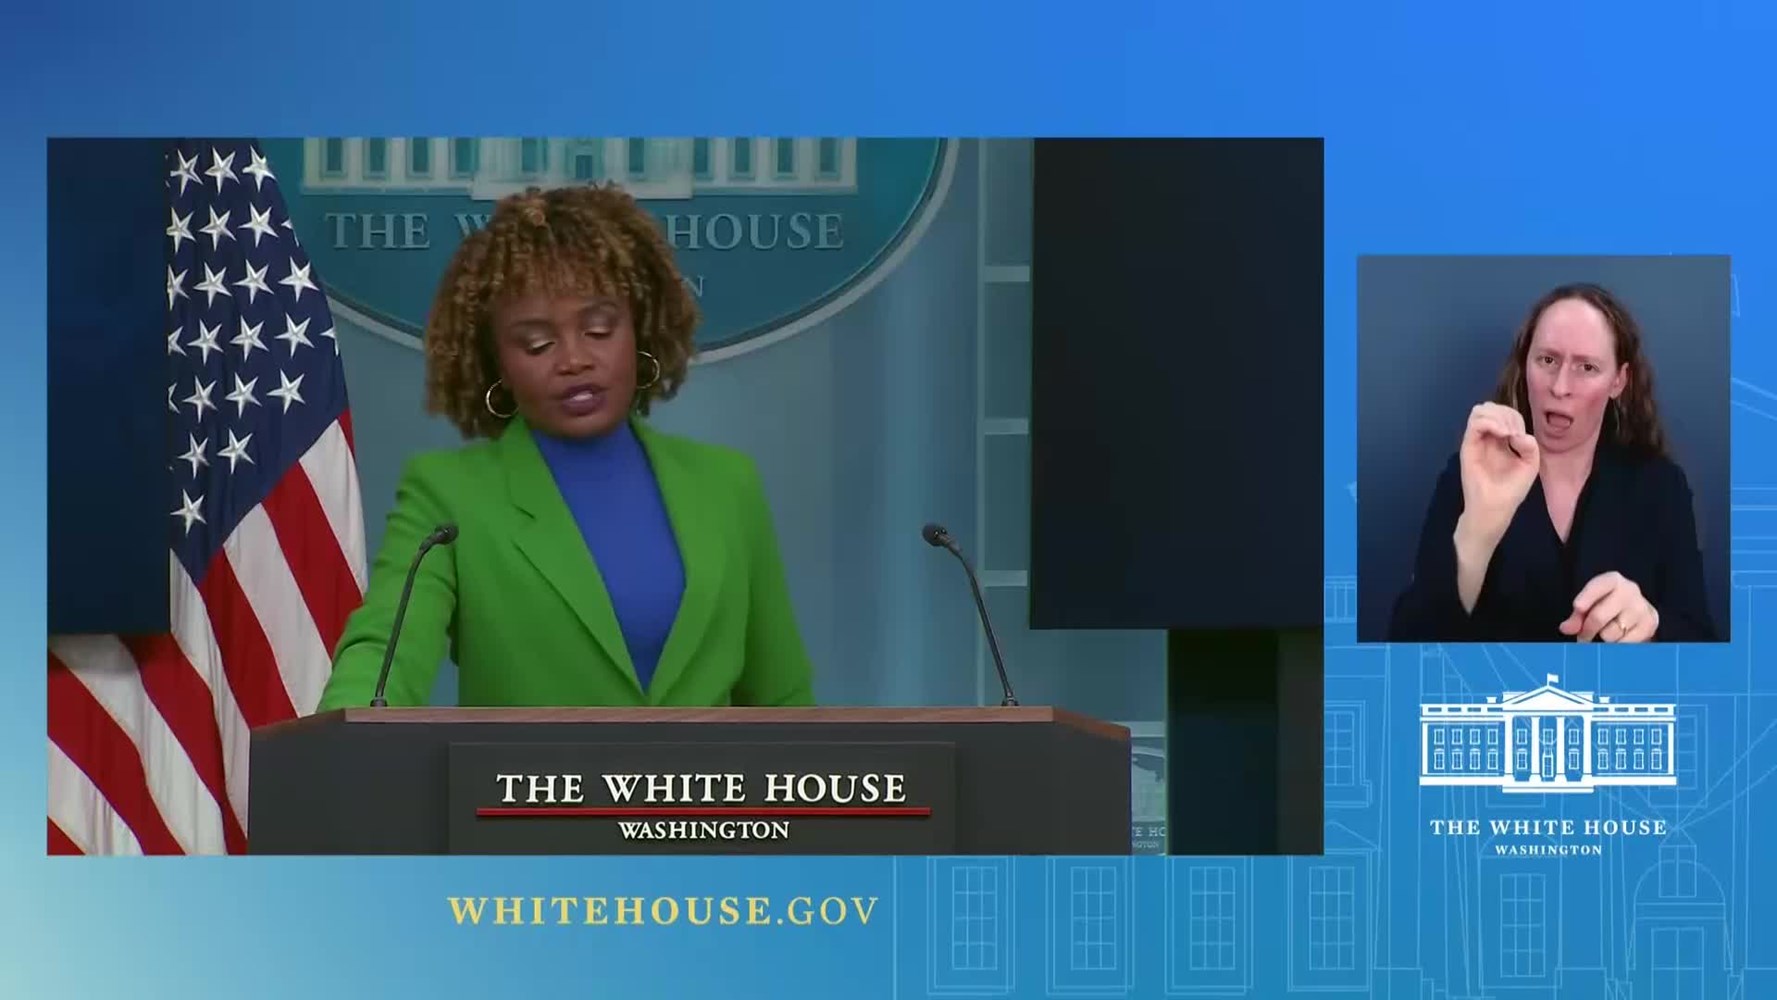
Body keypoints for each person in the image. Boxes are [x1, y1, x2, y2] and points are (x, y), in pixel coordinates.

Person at [316, 184, 816, 709]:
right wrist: (349, 730)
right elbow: (385, 652)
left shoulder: (727, 486)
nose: (574, 359)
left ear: (639, 329)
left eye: (599, 329)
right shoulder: (448, 495)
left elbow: (784, 700)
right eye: (537, 344)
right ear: (496, 362)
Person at [1388, 283, 1716, 643]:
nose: (1560, 387)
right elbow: (1406, 644)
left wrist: (1651, 625)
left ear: (1618, 381)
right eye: (1547, 360)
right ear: (1525, 364)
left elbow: (1702, 642)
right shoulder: (1471, 472)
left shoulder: (1659, 485)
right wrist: (1477, 532)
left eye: (1587, 367)